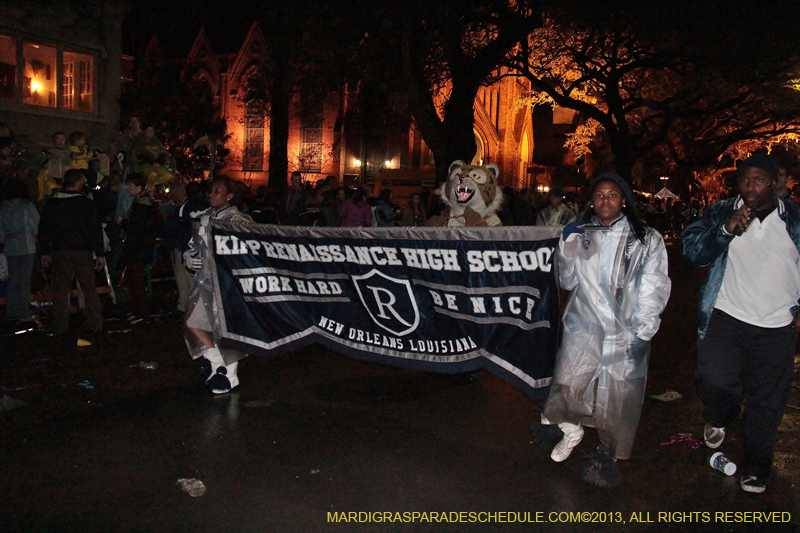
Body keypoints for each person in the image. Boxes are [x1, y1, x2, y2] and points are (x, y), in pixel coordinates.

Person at [541, 173, 671, 487]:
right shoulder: (583, 233)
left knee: (619, 397)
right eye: (599, 195)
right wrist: (566, 246)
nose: (605, 201)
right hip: (583, 325)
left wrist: (644, 330)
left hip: (624, 330)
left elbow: (654, 285)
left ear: (624, 200)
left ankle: (607, 453)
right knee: (567, 383)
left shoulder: (646, 238)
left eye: (612, 195)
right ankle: (571, 431)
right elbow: (567, 281)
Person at [682, 155, 800, 494]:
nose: (750, 187)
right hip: (727, 318)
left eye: (759, 180)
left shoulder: (793, 218)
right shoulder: (721, 211)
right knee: (713, 378)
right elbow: (692, 253)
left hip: (777, 325)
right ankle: (722, 413)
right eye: (745, 180)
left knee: (768, 400)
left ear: (775, 182)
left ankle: (757, 465)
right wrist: (726, 229)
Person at [184, 175, 253, 394]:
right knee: (194, 322)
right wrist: (188, 255)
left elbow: (248, 249)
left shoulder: (237, 220)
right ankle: (216, 362)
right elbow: (193, 244)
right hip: (205, 281)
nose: (211, 195)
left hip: (227, 284)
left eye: (217, 191)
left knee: (227, 329)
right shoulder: (204, 217)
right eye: (210, 191)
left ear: (230, 196)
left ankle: (229, 376)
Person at [38, 169, 106, 336]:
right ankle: (95, 322)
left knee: (60, 291)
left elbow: (44, 229)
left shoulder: (52, 204)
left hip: (61, 252)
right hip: (82, 251)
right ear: (78, 183)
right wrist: (99, 253)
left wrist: (45, 251)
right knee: (89, 288)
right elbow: (95, 230)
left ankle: (60, 325)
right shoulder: (86, 204)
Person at [117, 172, 157, 322]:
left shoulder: (142, 205)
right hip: (140, 249)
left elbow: (137, 228)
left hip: (138, 249)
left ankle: (141, 312)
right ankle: (138, 310)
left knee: (136, 281)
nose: (127, 188)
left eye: (130, 185)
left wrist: (123, 223)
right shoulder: (143, 203)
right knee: (134, 281)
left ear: (138, 187)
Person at [0, 179, 39, 321]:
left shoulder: (3, 208)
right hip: (26, 246)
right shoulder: (27, 206)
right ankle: (23, 311)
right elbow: (37, 226)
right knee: (24, 281)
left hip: (10, 246)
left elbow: (1, 232)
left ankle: (11, 311)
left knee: (13, 280)